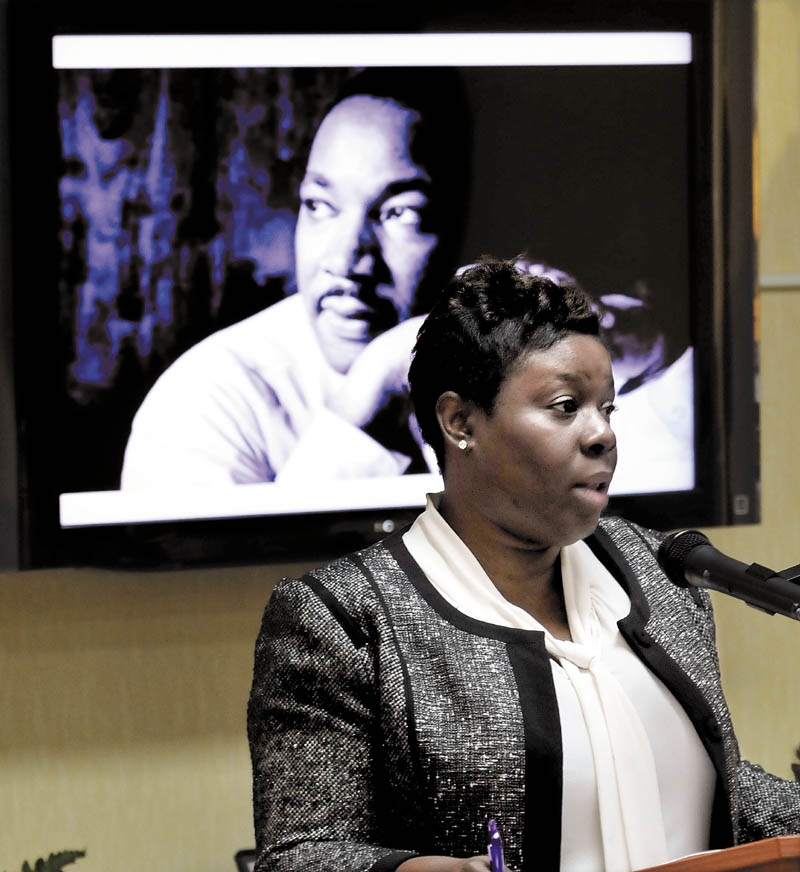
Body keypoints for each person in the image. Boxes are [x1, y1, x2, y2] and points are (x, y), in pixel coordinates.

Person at [247, 257, 800, 872]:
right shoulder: (342, 618)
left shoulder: (658, 571)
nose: (602, 435)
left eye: (608, 408)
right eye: (566, 406)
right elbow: (300, 855)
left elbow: (705, 785)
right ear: (460, 421)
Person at [120, 69, 469, 487]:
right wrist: (368, 394)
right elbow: (259, 556)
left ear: (455, 229)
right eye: (320, 205)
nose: (346, 258)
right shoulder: (202, 403)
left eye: (399, 213)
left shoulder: (494, 376)